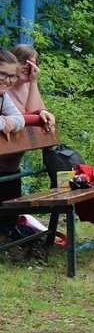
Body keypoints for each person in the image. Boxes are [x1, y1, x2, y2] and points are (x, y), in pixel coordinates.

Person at [0, 50, 30, 238]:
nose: (8, 80)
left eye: (12, 76)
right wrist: (3, 122)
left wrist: (9, 122)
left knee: (10, 171)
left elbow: (19, 119)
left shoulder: (3, 97)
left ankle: (7, 229)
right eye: (3, 74)